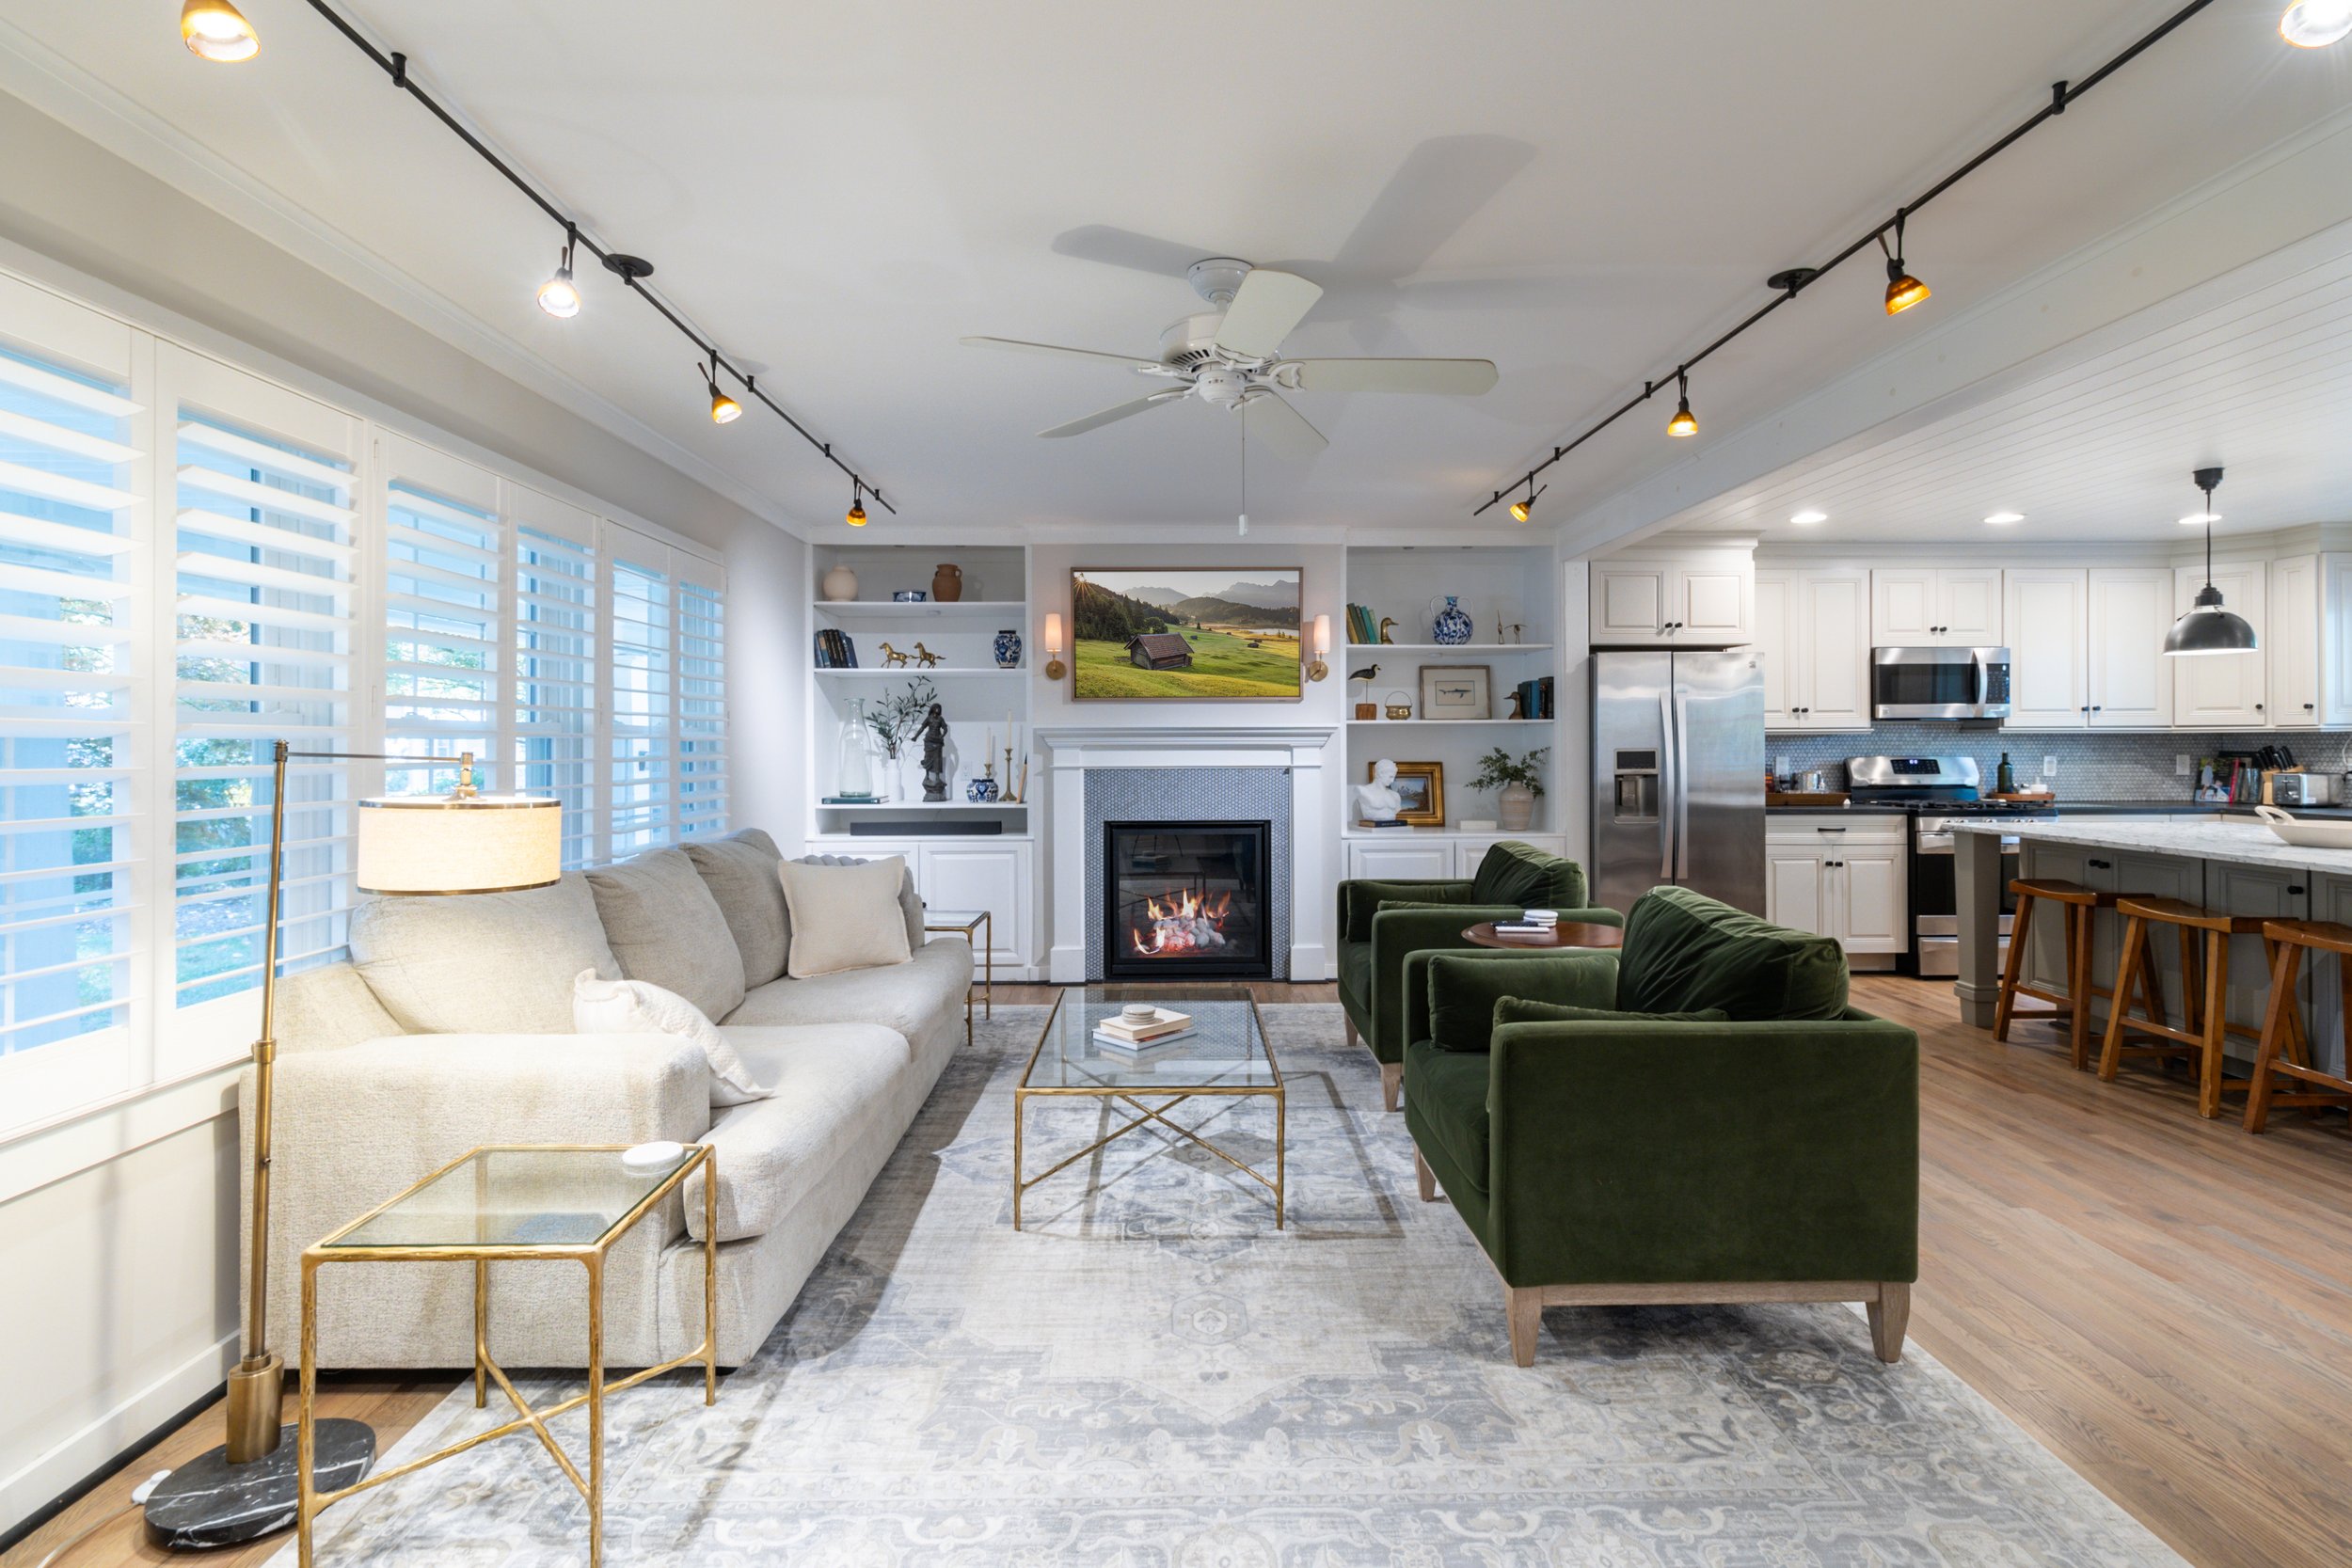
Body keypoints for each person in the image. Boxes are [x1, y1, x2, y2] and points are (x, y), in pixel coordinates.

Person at [1356, 758, 1403, 823]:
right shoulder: (1363, 791)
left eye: (1394, 777)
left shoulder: (1395, 795)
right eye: (1390, 777)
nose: (1392, 781)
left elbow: (1397, 810)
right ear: (1380, 773)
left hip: (1391, 829)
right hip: (1372, 829)